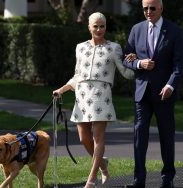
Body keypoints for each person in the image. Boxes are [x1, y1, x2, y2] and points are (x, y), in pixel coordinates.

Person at [53, 12, 135, 188]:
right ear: (89, 27)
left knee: (98, 138)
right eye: (95, 26)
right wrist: (62, 89)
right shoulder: (80, 47)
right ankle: (103, 166)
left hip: (101, 96)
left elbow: (126, 72)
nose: (99, 29)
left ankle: (91, 179)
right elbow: (77, 75)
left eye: (102, 26)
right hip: (81, 96)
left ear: (105, 27)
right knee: (83, 139)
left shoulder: (114, 48)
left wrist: (135, 64)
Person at [123, 0, 183, 188]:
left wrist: (170, 86)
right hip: (142, 93)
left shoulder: (173, 30)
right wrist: (139, 64)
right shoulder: (137, 29)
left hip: (164, 93)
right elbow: (127, 57)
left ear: (161, 8)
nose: (148, 12)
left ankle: (167, 179)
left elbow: (179, 64)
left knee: (166, 136)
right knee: (139, 137)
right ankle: (138, 180)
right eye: (145, 8)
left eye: (152, 8)